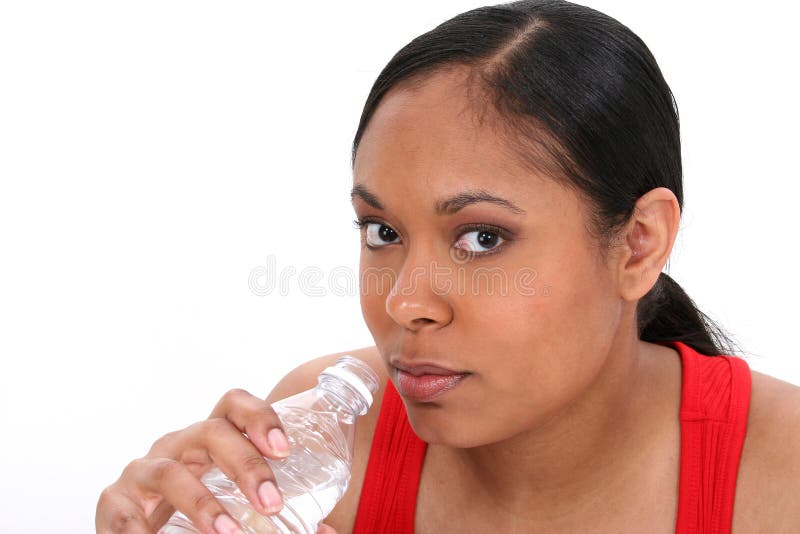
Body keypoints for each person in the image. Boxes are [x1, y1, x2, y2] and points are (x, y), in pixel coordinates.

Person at [96, 1, 800, 532]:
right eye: (382, 230)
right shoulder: (328, 448)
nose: (406, 305)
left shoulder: (782, 474)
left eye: (482, 239)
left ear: (638, 243)